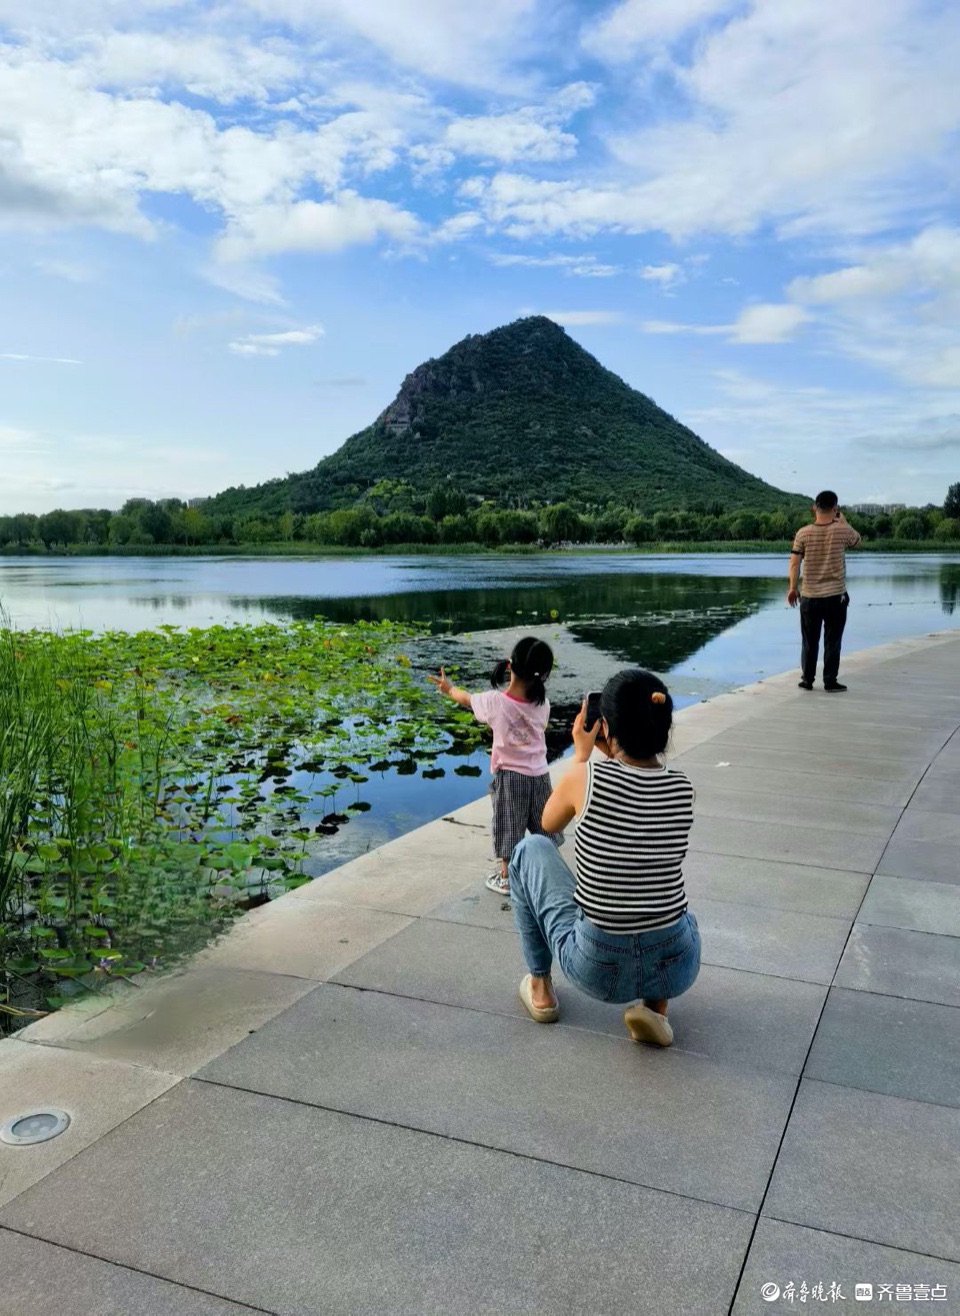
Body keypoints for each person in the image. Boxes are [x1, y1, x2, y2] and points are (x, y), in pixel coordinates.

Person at [507, 668, 700, 1048]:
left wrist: (580, 756)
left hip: (598, 969)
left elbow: (547, 824)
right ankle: (655, 1009)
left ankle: (541, 987)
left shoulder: (584, 777)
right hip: (674, 965)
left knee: (528, 850)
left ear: (605, 728)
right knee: (677, 911)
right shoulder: (683, 788)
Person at [429, 635, 559, 896]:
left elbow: (466, 699)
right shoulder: (542, 704)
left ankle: (507, 877)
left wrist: (448, 688)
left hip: (511, 777)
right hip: (540, 774)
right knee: (543, 825)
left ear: (510, 666)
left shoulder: (494, 702)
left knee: (508, 826)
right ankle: (547, 872)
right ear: (543, 675)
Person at [787, 490, 862, 691]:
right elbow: (857, 541)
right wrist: (843, 521)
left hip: (810, 596)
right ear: (835, 508)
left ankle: (807, 679)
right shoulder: (842, 530)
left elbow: (794, 563)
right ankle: (830, 681)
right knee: (833, 640)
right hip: (836, 596)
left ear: (814, 508)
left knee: (809, 641)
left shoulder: (803, 533)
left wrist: (793, 588)